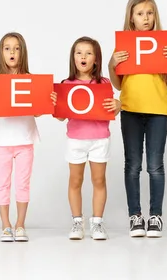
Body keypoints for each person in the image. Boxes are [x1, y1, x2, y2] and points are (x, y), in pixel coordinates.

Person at [108, 0, 167, 238]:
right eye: (140, 14)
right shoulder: (125, 47)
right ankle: (135, 215)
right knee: (132, 165)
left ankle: (155, 216)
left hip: (159, 110)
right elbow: (118, 85)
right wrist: (112, 64)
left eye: (150, 13)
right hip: (130, 109)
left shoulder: (162, 45)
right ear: (131, 18)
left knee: (155, 166)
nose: (146, 18)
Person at [0, 32, 56, 242]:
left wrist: (47, 100)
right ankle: (5, 225)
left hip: (25, 139)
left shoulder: (30, 80)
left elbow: (36, 111)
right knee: (2, 184)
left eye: (16, 48)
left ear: (22, 52)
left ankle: (20, 224)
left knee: (23, 184)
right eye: (7, 48)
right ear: (1, 53)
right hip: (2, 141)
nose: (12, 52)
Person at [57, 36, 120, 240]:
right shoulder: (66, 84)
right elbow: (60, 116)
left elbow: (110, 108)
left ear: (96, 59)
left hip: (99, 139)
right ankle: (77, 221)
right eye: (78, 52)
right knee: (75, 180)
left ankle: (97, 222)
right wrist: (55, 103)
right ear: (73, 57)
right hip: (76, 139)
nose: (83, 56)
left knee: (98, 179)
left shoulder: (104, 83)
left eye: (88, 53)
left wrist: (117, 106)